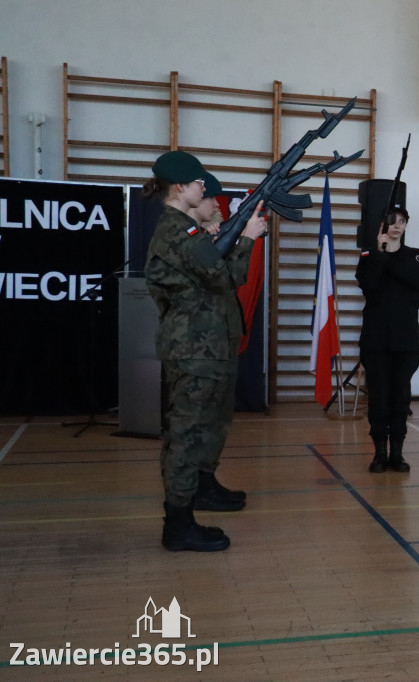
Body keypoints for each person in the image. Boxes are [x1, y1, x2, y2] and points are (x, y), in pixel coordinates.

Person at [144, 151, 266, 552]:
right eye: (200, 183)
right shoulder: (177, 231)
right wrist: (247, 236)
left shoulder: (186, 230)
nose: (206, 189)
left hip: (208, 345)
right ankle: (178, 524)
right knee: (186, 434)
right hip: (194, 348)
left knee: (206, 428)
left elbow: (211, 275)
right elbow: (223, 277)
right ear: (181, 187)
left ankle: (199, 492)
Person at [356, 206, 419, 473]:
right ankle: (379, 454)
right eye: (392, 222)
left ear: (406, 226)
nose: (397, 226)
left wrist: (387, 257)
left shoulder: (417, 257)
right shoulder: (368, 256)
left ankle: (397, 454)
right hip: (375, 340)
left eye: (402, 221)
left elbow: (413, 280)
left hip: (405, 341)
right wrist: (379, 254)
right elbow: (369, 286)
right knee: (378, 398)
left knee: (400, 398)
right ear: (382, 226)